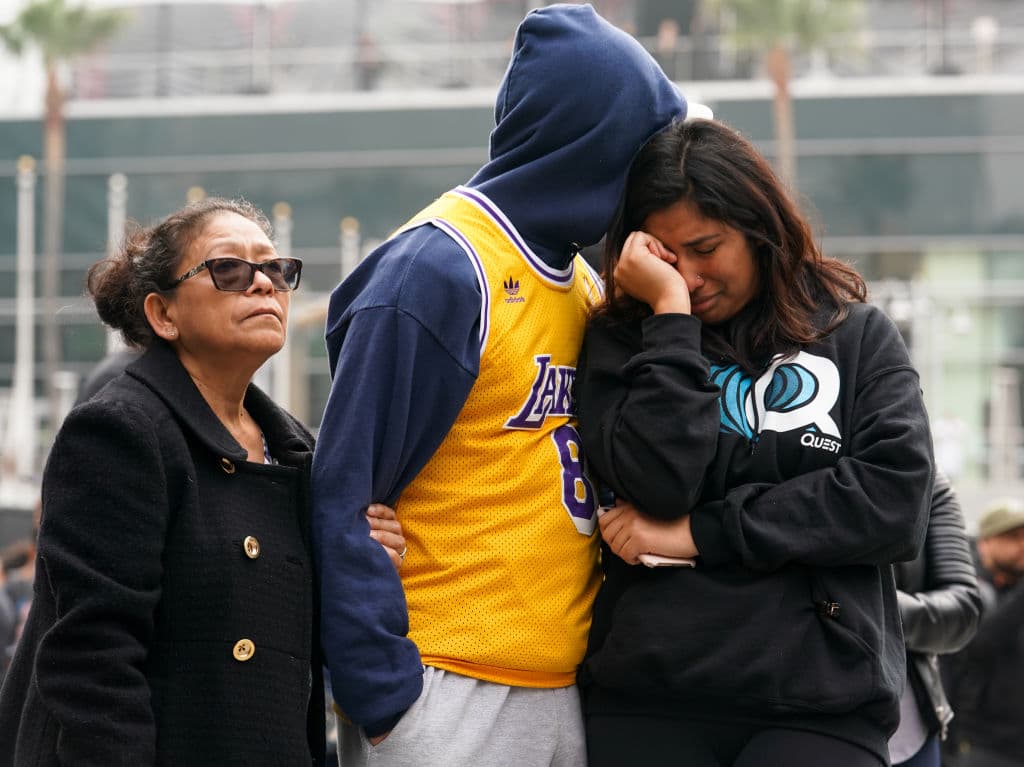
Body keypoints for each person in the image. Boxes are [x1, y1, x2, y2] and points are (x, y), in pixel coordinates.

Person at [311, 5, 690, 765]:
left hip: (559, 684)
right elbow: (341, 493)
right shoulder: (440, 267)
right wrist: (386, 698)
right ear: (591, 136)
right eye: (642, 146)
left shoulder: (581, 278)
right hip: (448, 686)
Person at [574, 117, 933, 767]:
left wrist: (699, 533)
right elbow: (659, 482)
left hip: (819, 699)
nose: (690, 272)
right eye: (664, 256)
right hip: (650, 695)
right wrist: (672, 320)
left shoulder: (854, 333)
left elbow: (893, 500)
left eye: (706, 246)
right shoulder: (627, 342)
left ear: (757, 228)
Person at [0, 198, 405, 767]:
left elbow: (285, 645)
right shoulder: (120, 431)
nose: (264, 285)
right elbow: (92, 664)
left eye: (276, 270)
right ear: (164, 315)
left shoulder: (296, 451)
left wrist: (364, 558)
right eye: (230, 270)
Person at [888, 468, 981, 767]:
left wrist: (874, 612)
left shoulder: (926, 479)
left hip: (907, 733)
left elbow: (963, 607)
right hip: (781, 714)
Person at [941, 499, 1024, 767]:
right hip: (978, 744)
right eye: (1013, 537)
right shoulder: (965, 586)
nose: (1022, 545)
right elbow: (975, 645)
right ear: (985, 542)